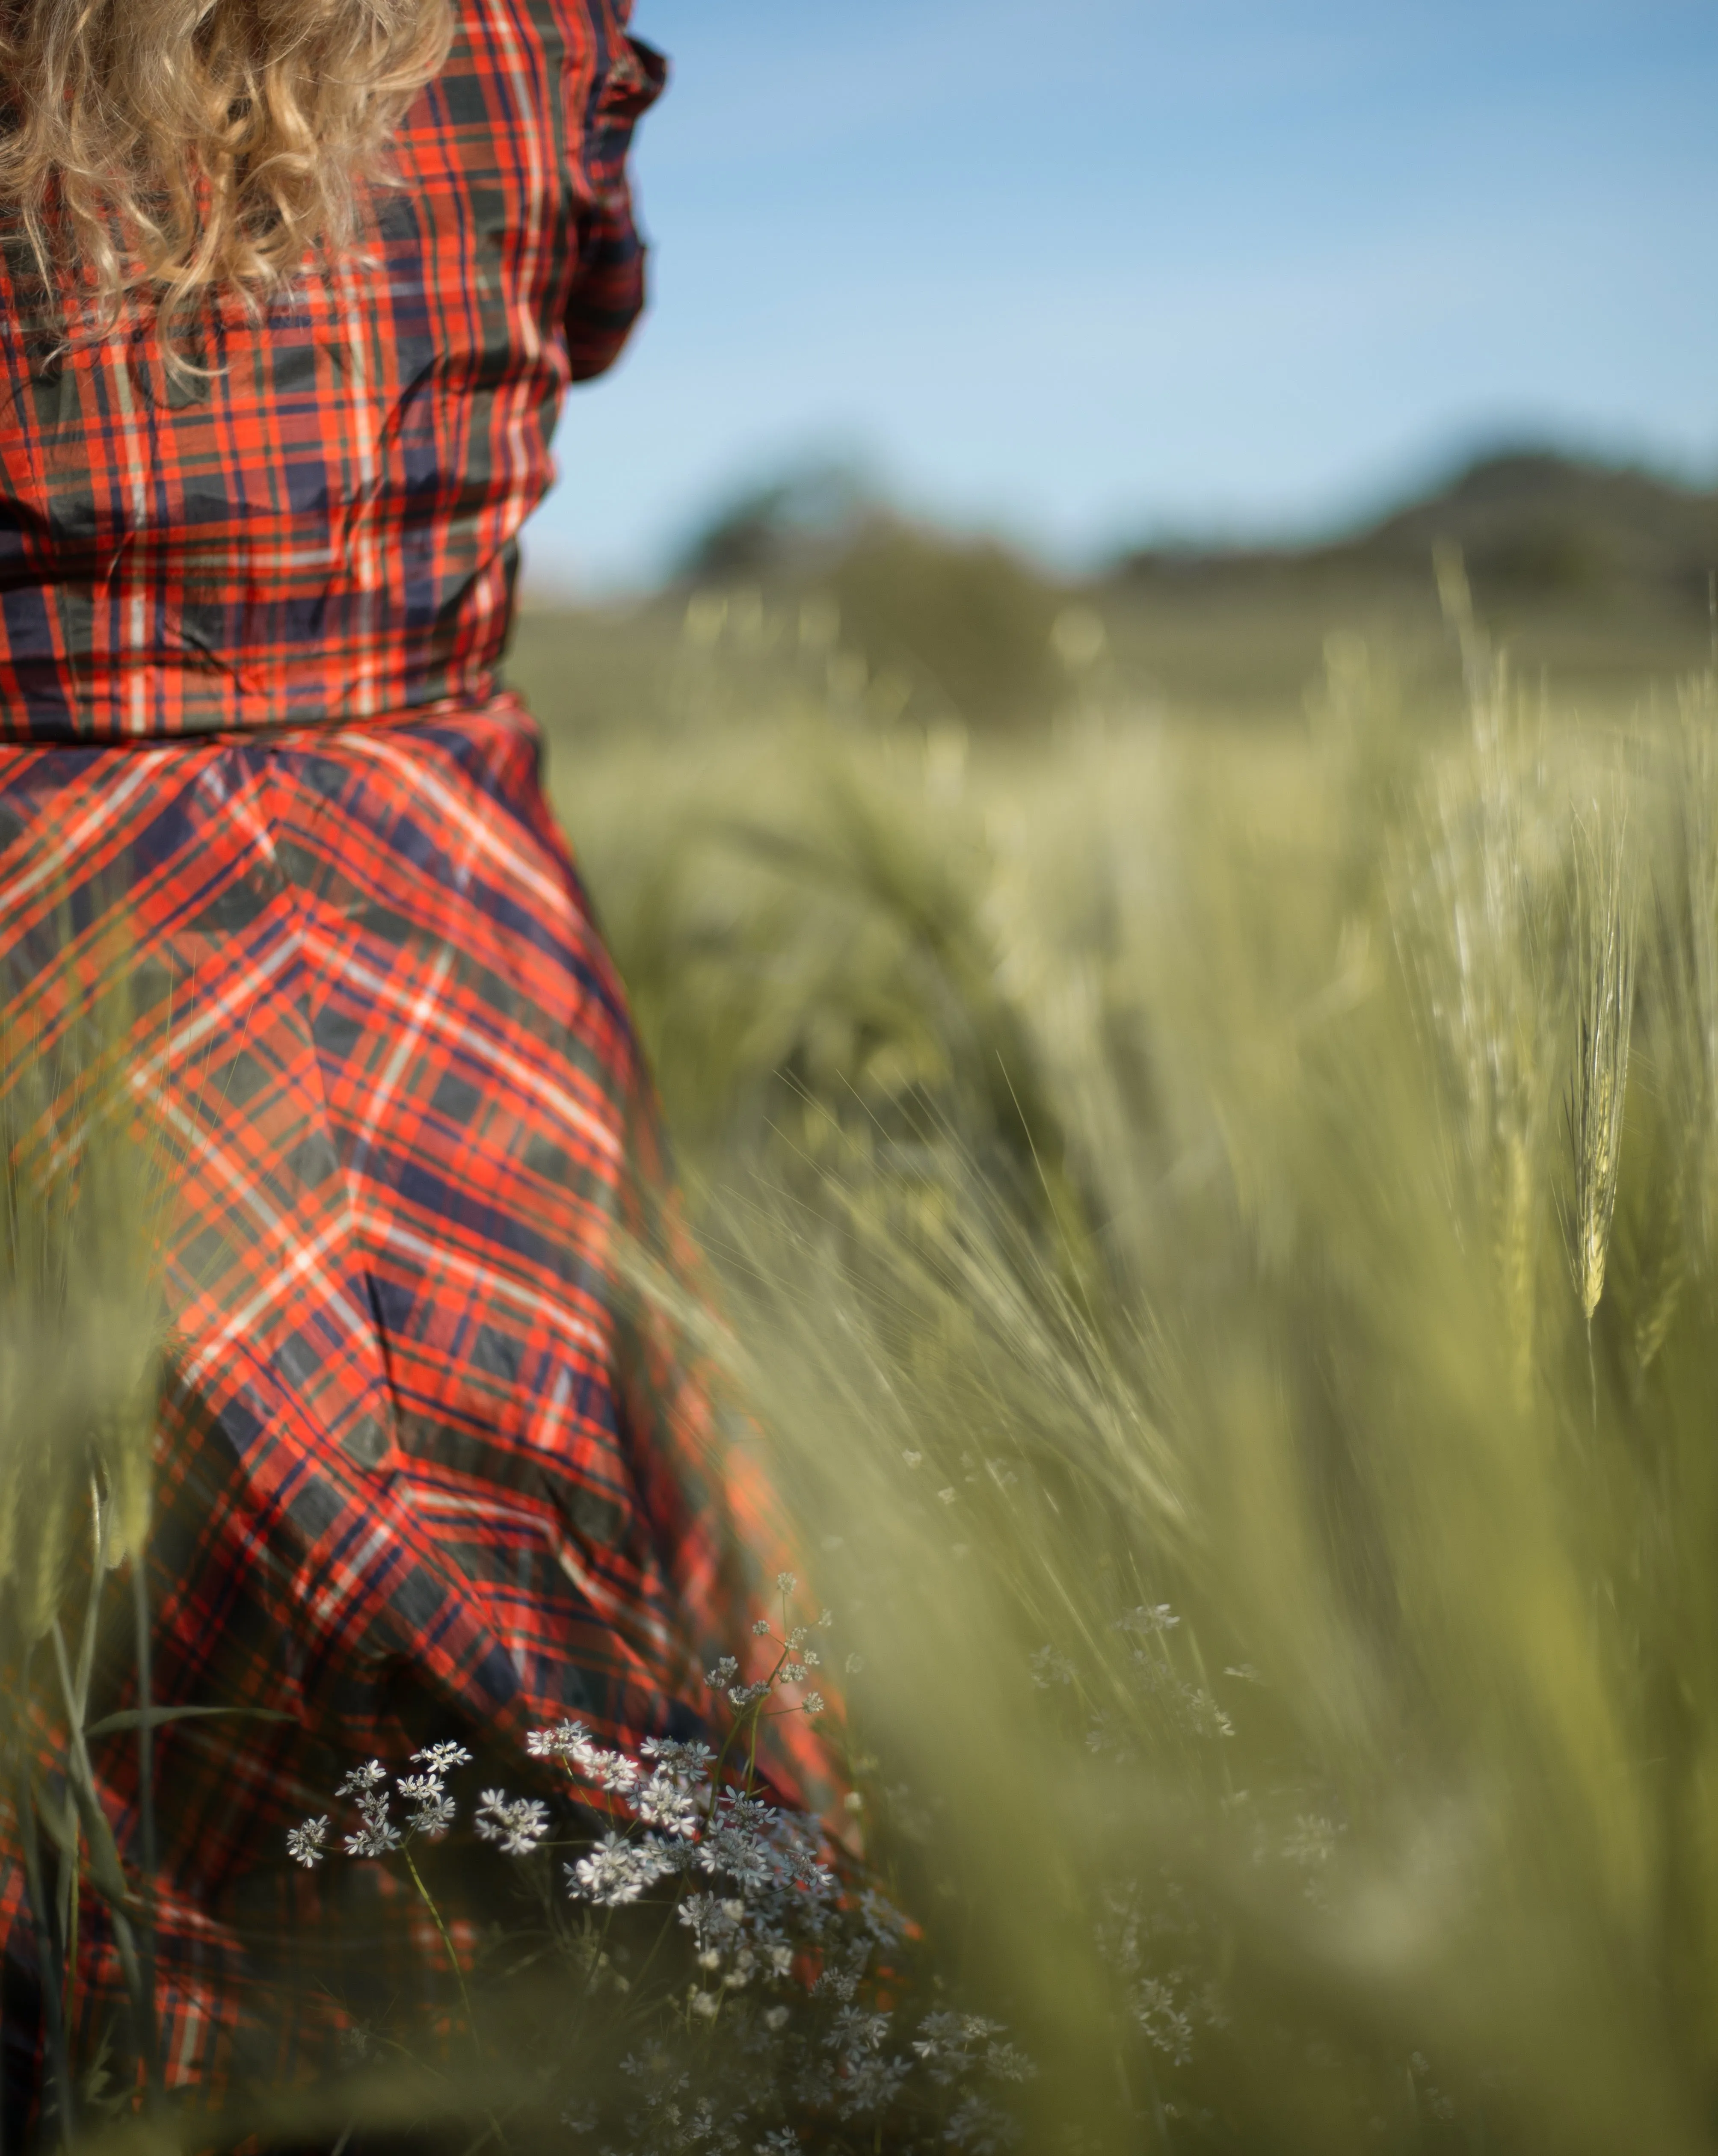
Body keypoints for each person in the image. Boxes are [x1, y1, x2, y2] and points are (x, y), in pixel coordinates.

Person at [0, 0, 831, 2121]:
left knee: (102, 1716)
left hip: (54, 941)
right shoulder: (529, 29)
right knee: (581, 1689)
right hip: (452, 915)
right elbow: (597, 312)